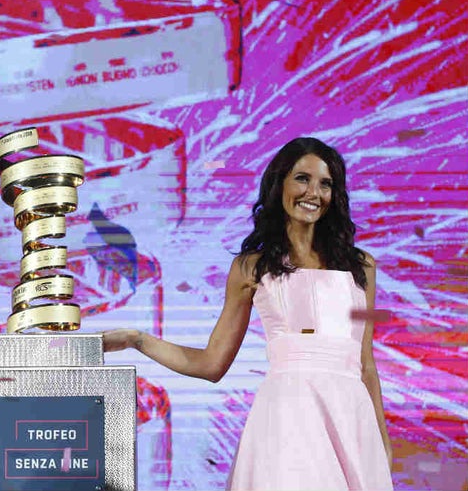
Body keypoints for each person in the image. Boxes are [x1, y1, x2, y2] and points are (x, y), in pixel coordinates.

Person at [103, 137, 394, 490]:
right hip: (287, 422)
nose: (313, 193)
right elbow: (211, 364)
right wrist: (137, 340)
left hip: (351, 424)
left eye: (325, 184)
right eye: (302, 179)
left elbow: (365, 364)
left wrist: (382, 443)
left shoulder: (361, 267)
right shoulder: (251, 268)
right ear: (279, 184)